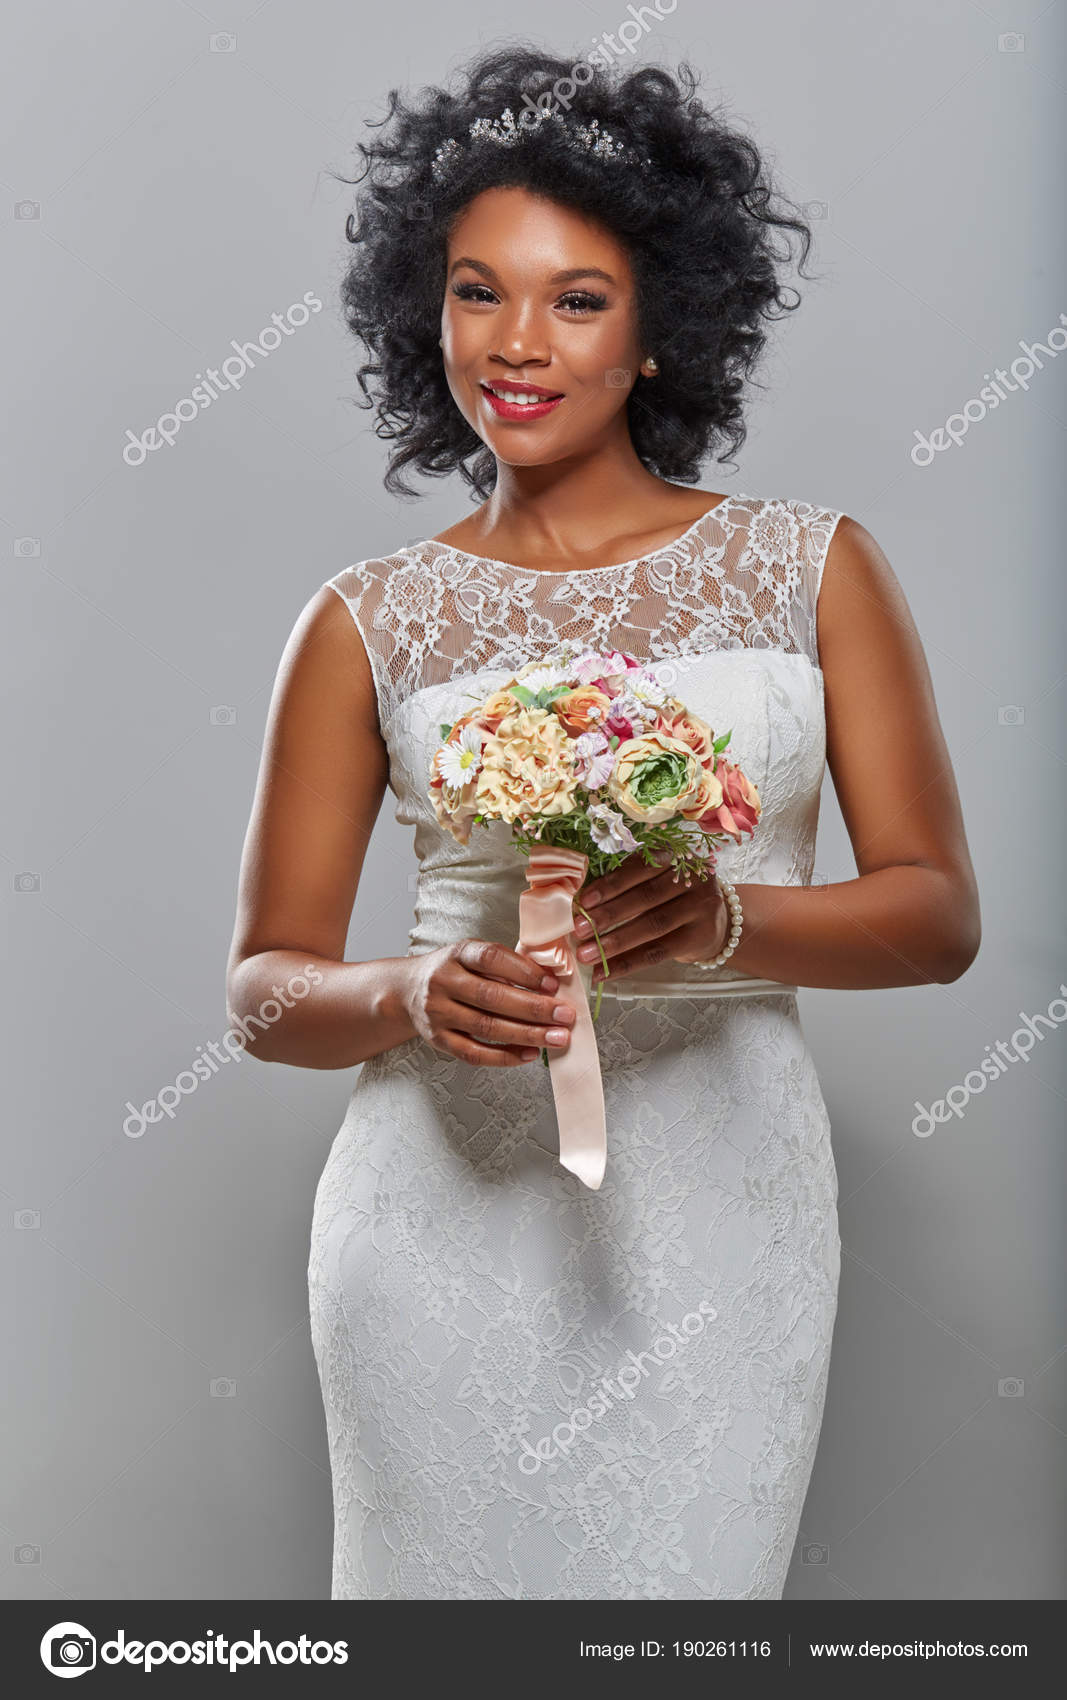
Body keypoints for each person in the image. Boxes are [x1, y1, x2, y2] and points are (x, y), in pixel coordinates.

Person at [226, 45, 980, 1599]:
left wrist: (725, 922)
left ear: (662, 333)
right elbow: (264, 990)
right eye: (475, 290)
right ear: (418, 309)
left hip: (721, 1211)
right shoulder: (366, 620)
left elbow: (935, 917)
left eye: (578, 298)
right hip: (433, 1203)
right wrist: (409, 997)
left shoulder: (811, 568)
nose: (515, 343)